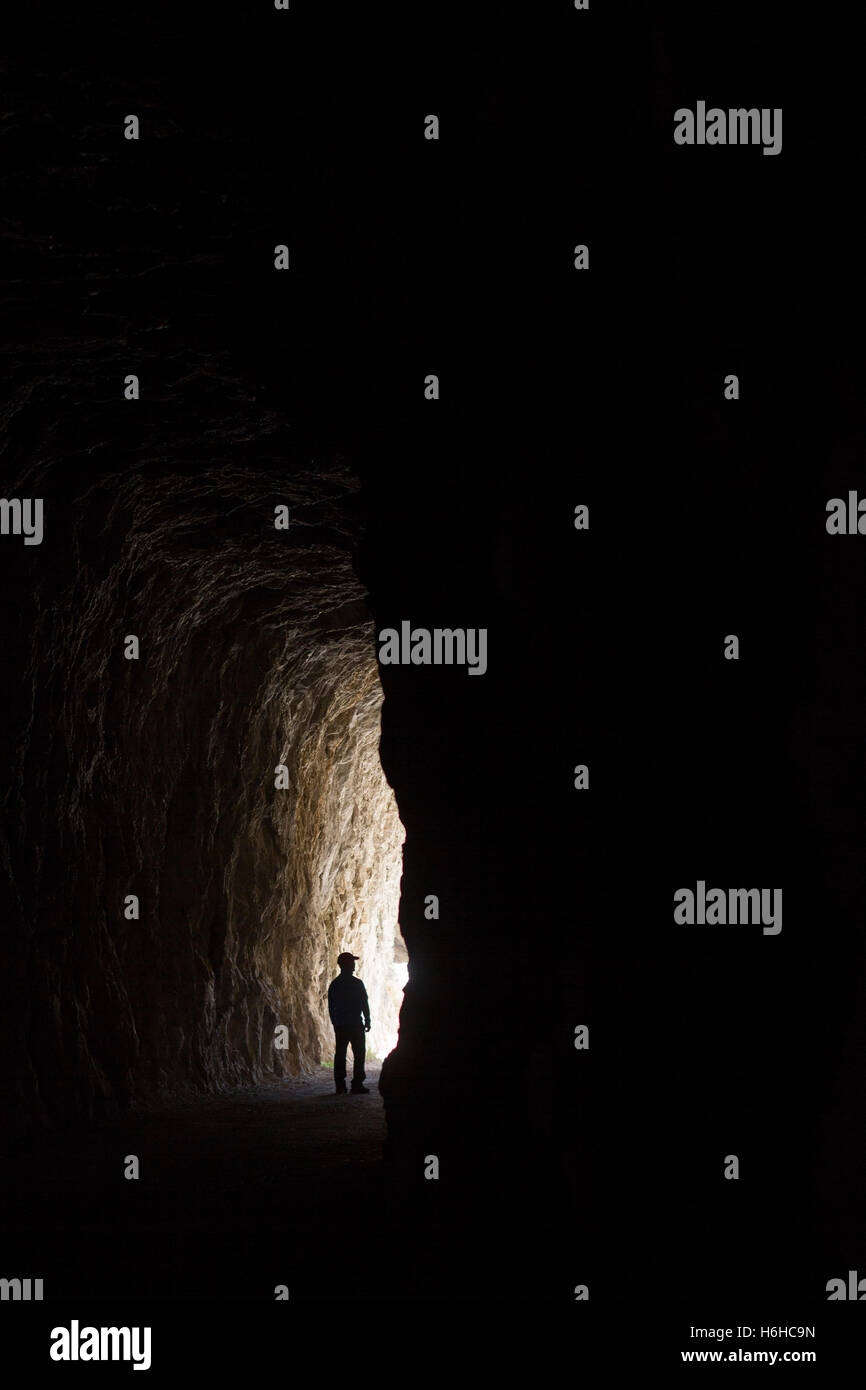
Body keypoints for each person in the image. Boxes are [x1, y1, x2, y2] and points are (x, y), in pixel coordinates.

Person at [327, 952, 371, 1094]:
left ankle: (340, 1085)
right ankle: (357, 1084)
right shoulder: (357, 983)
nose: (354, 964)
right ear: (347, 965)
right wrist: (367, 1019)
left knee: (340, 1054)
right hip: (356, 1024)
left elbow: (331, 1006)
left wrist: (335, 1022)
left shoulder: (335, 984)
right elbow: (364, 1003)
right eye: (352, 962)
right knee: (359, 1054)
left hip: (341, 1025)